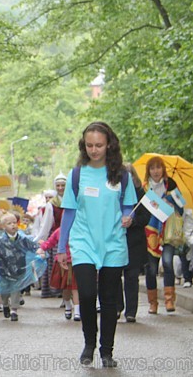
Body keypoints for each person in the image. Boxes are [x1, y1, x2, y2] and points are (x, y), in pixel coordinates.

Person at [57, 121, 136, 367]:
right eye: (89, 145)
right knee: (88, 294)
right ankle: (89, 343)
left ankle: (106, 351)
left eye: (99, 145)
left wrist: (128, 217)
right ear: (84, 146)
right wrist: (61, 248)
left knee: (109, 298)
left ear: (109, 144)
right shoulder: (77, 174)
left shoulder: (122, 175)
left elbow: (128, 207)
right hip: (83, 242)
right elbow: (68, 212)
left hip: (113, 242)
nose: (94, 150)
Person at [0, 213, 45, 322]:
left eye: (14, 222)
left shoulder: (23, 239)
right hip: (4, 270)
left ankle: (14, 310)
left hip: (19, 269)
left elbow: (33, 246)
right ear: (3, 227)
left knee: (16, 289)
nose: (13, 225)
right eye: (9, 223)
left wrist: (40, 250)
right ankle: (5, 304)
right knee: (4, 291)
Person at [143, 155, 184, 313]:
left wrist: (171, 202)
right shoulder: (145, 188)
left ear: (163, 169)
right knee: (151, 268)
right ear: (148, 171)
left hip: (168, 232)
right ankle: (153, 302)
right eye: (152, 168)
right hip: (150, 232)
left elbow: (181, 207)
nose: (155, 171)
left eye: (158, 167)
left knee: (167, 263)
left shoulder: (171, 185)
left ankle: (169, 300)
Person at [115, 165, 151, 323]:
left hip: (134, 242)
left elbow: (145, 218)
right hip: (116, 240)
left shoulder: (142, 195)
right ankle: (117, 306)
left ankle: (131, 311)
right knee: (115, 275)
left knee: (131, 276)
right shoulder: (114, 193)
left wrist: (133, 221)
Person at [41, 227, 80, 321]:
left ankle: (77, 311)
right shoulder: (60, 231)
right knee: (66, 288)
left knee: (76, 288)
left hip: (77, 261)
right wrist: (42, 247)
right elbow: (51, 242)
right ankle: (68, 306)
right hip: (63, 263)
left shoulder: (80, 229)